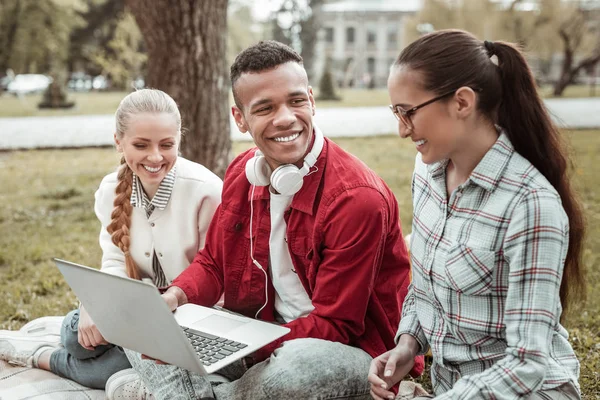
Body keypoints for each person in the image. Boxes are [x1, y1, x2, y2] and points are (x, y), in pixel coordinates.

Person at [123, 40, 424, 400]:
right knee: (137, 323)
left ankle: (171, 392)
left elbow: (336, 325)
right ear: (240, 119)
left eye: (296, 101)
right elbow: (214, 263)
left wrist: (246, 348)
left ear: (311, 100)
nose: (286, 117)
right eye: (265, 108)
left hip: (341, 350)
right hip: (260, 335)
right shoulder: (242, 173)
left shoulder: (357, 199)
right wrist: (174, 297)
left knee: (293, 373)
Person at [368, 29, 585, 400]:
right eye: (396, 112)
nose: (402, 129)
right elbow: (425, 286)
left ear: (462, 102)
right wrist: (407, 344)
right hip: (455, 389)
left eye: (408, 112)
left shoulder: (530, 205)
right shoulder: (428, 174)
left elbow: (526, 363)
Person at [0, 89, 223, 396]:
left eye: (167, 144)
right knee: (74, 338)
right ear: (119, 141)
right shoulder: (110, 190)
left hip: (185, 316)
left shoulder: (207, 191)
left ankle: (40, 357)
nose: (155, 156)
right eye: (141, 145)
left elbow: (211, 273)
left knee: (105, 367)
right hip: (131, 310)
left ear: (179, 140)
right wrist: (95, 307)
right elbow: (115, 261)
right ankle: (104, 358)